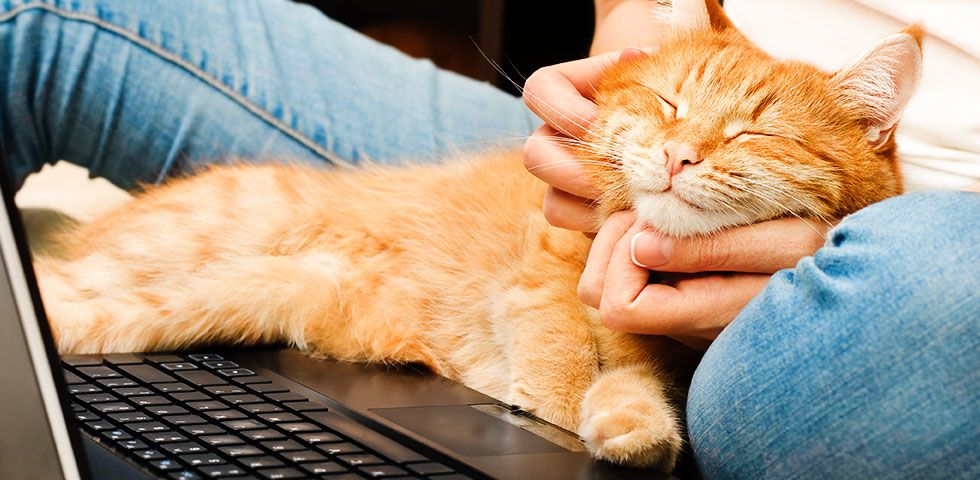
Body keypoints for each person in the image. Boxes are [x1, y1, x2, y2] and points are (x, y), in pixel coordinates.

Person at [0, 0, 976, 478]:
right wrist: (626, 43)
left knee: (917, 304)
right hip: (608, 145)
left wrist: (826, 261)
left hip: (895, 268)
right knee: (44, 18)